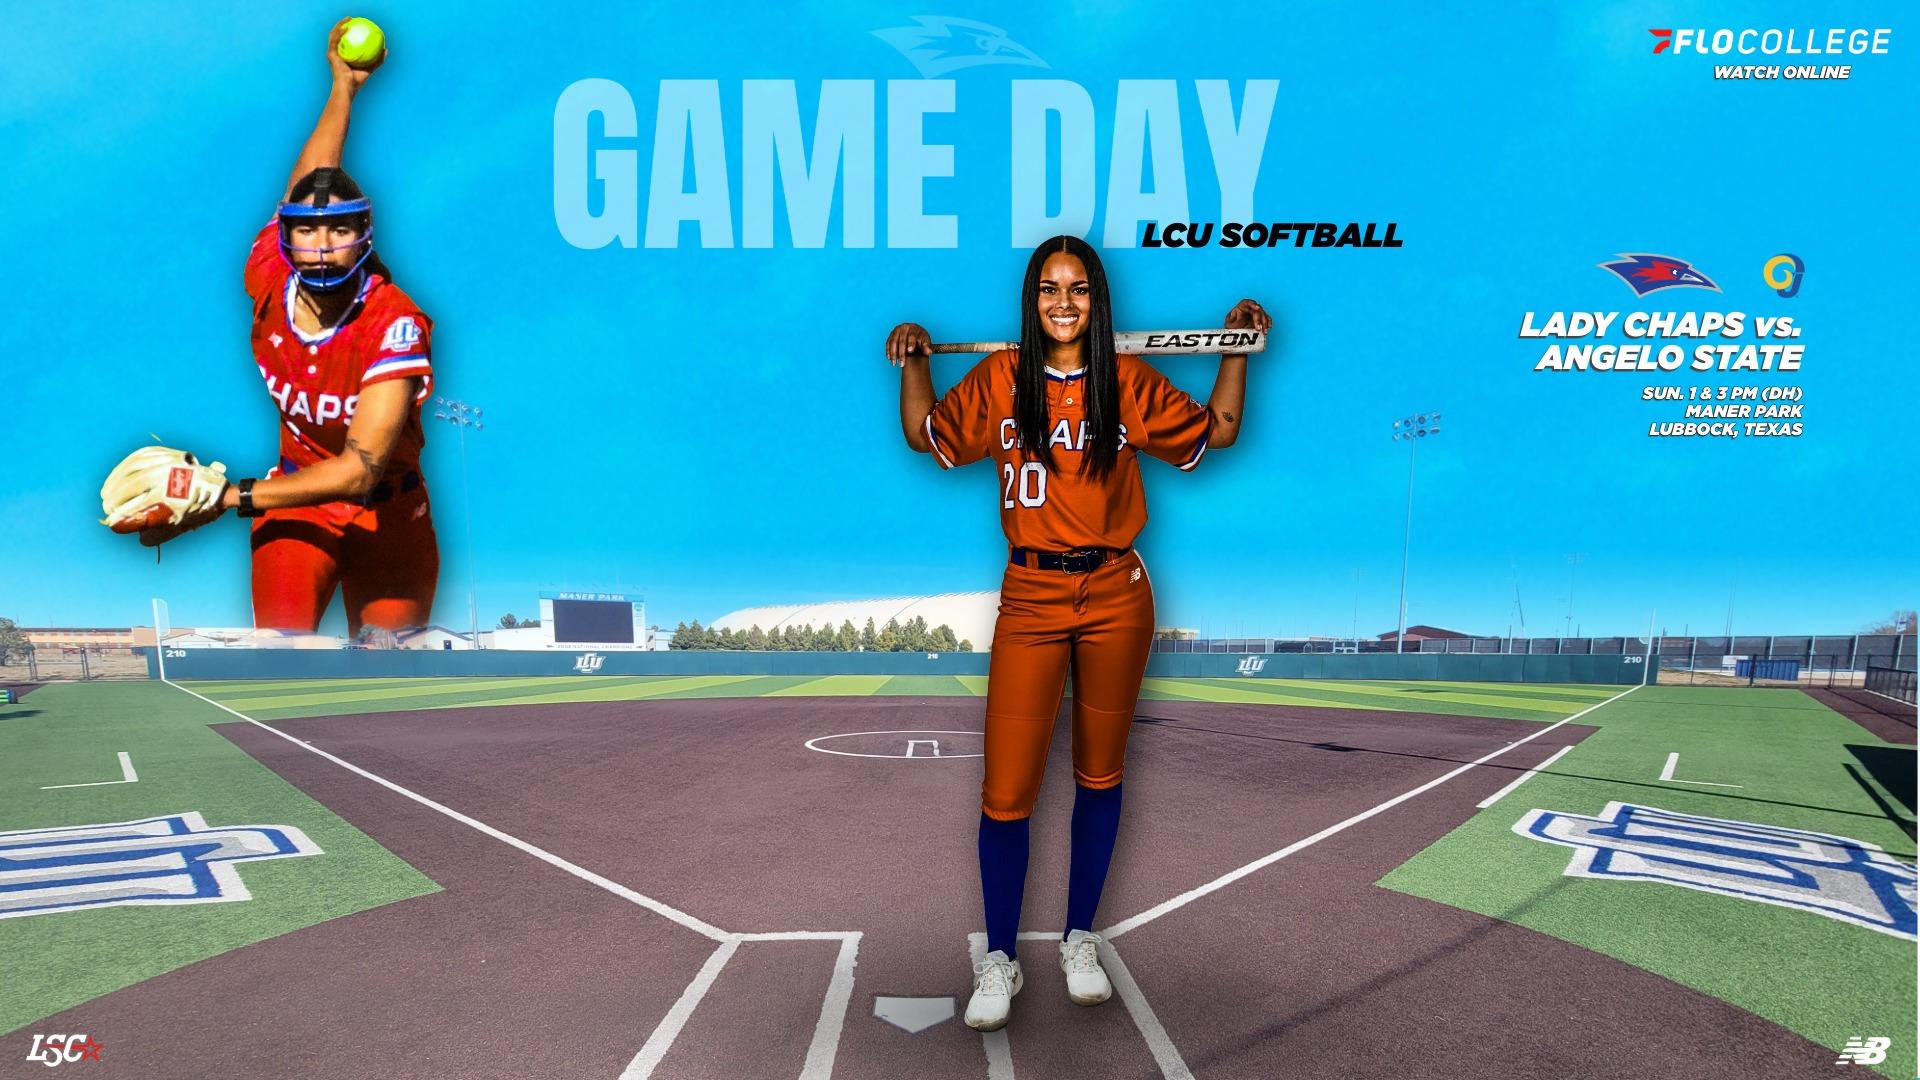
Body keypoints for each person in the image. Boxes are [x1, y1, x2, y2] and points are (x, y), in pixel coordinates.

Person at [887, 235, 1269, 1031]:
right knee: (1007, 789)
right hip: (1029, 595)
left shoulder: (1126, 380)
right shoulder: (999, 377)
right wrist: (915, 358)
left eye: (1079, 289)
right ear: (1031, 301)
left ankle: (1080, 940)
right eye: (1049, 289)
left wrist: (1238, 347)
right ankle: (999, 959)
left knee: (1099, 774)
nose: (1063, 302)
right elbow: (926, 434)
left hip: (1117, 595)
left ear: (1098, 300)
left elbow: (1219, 431)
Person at [217, 20, 439, 635]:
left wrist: (229, 498)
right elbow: (307, 182)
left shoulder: (393, 320)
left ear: (363, 237)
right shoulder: (267, 274)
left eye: (339, 229)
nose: (321, 245)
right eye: (306, 231)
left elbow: (362, 467)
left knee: (389, 692)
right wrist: (344, 87)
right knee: (281, 668)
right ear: (283, 238)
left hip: (387, 514)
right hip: (298, 505)